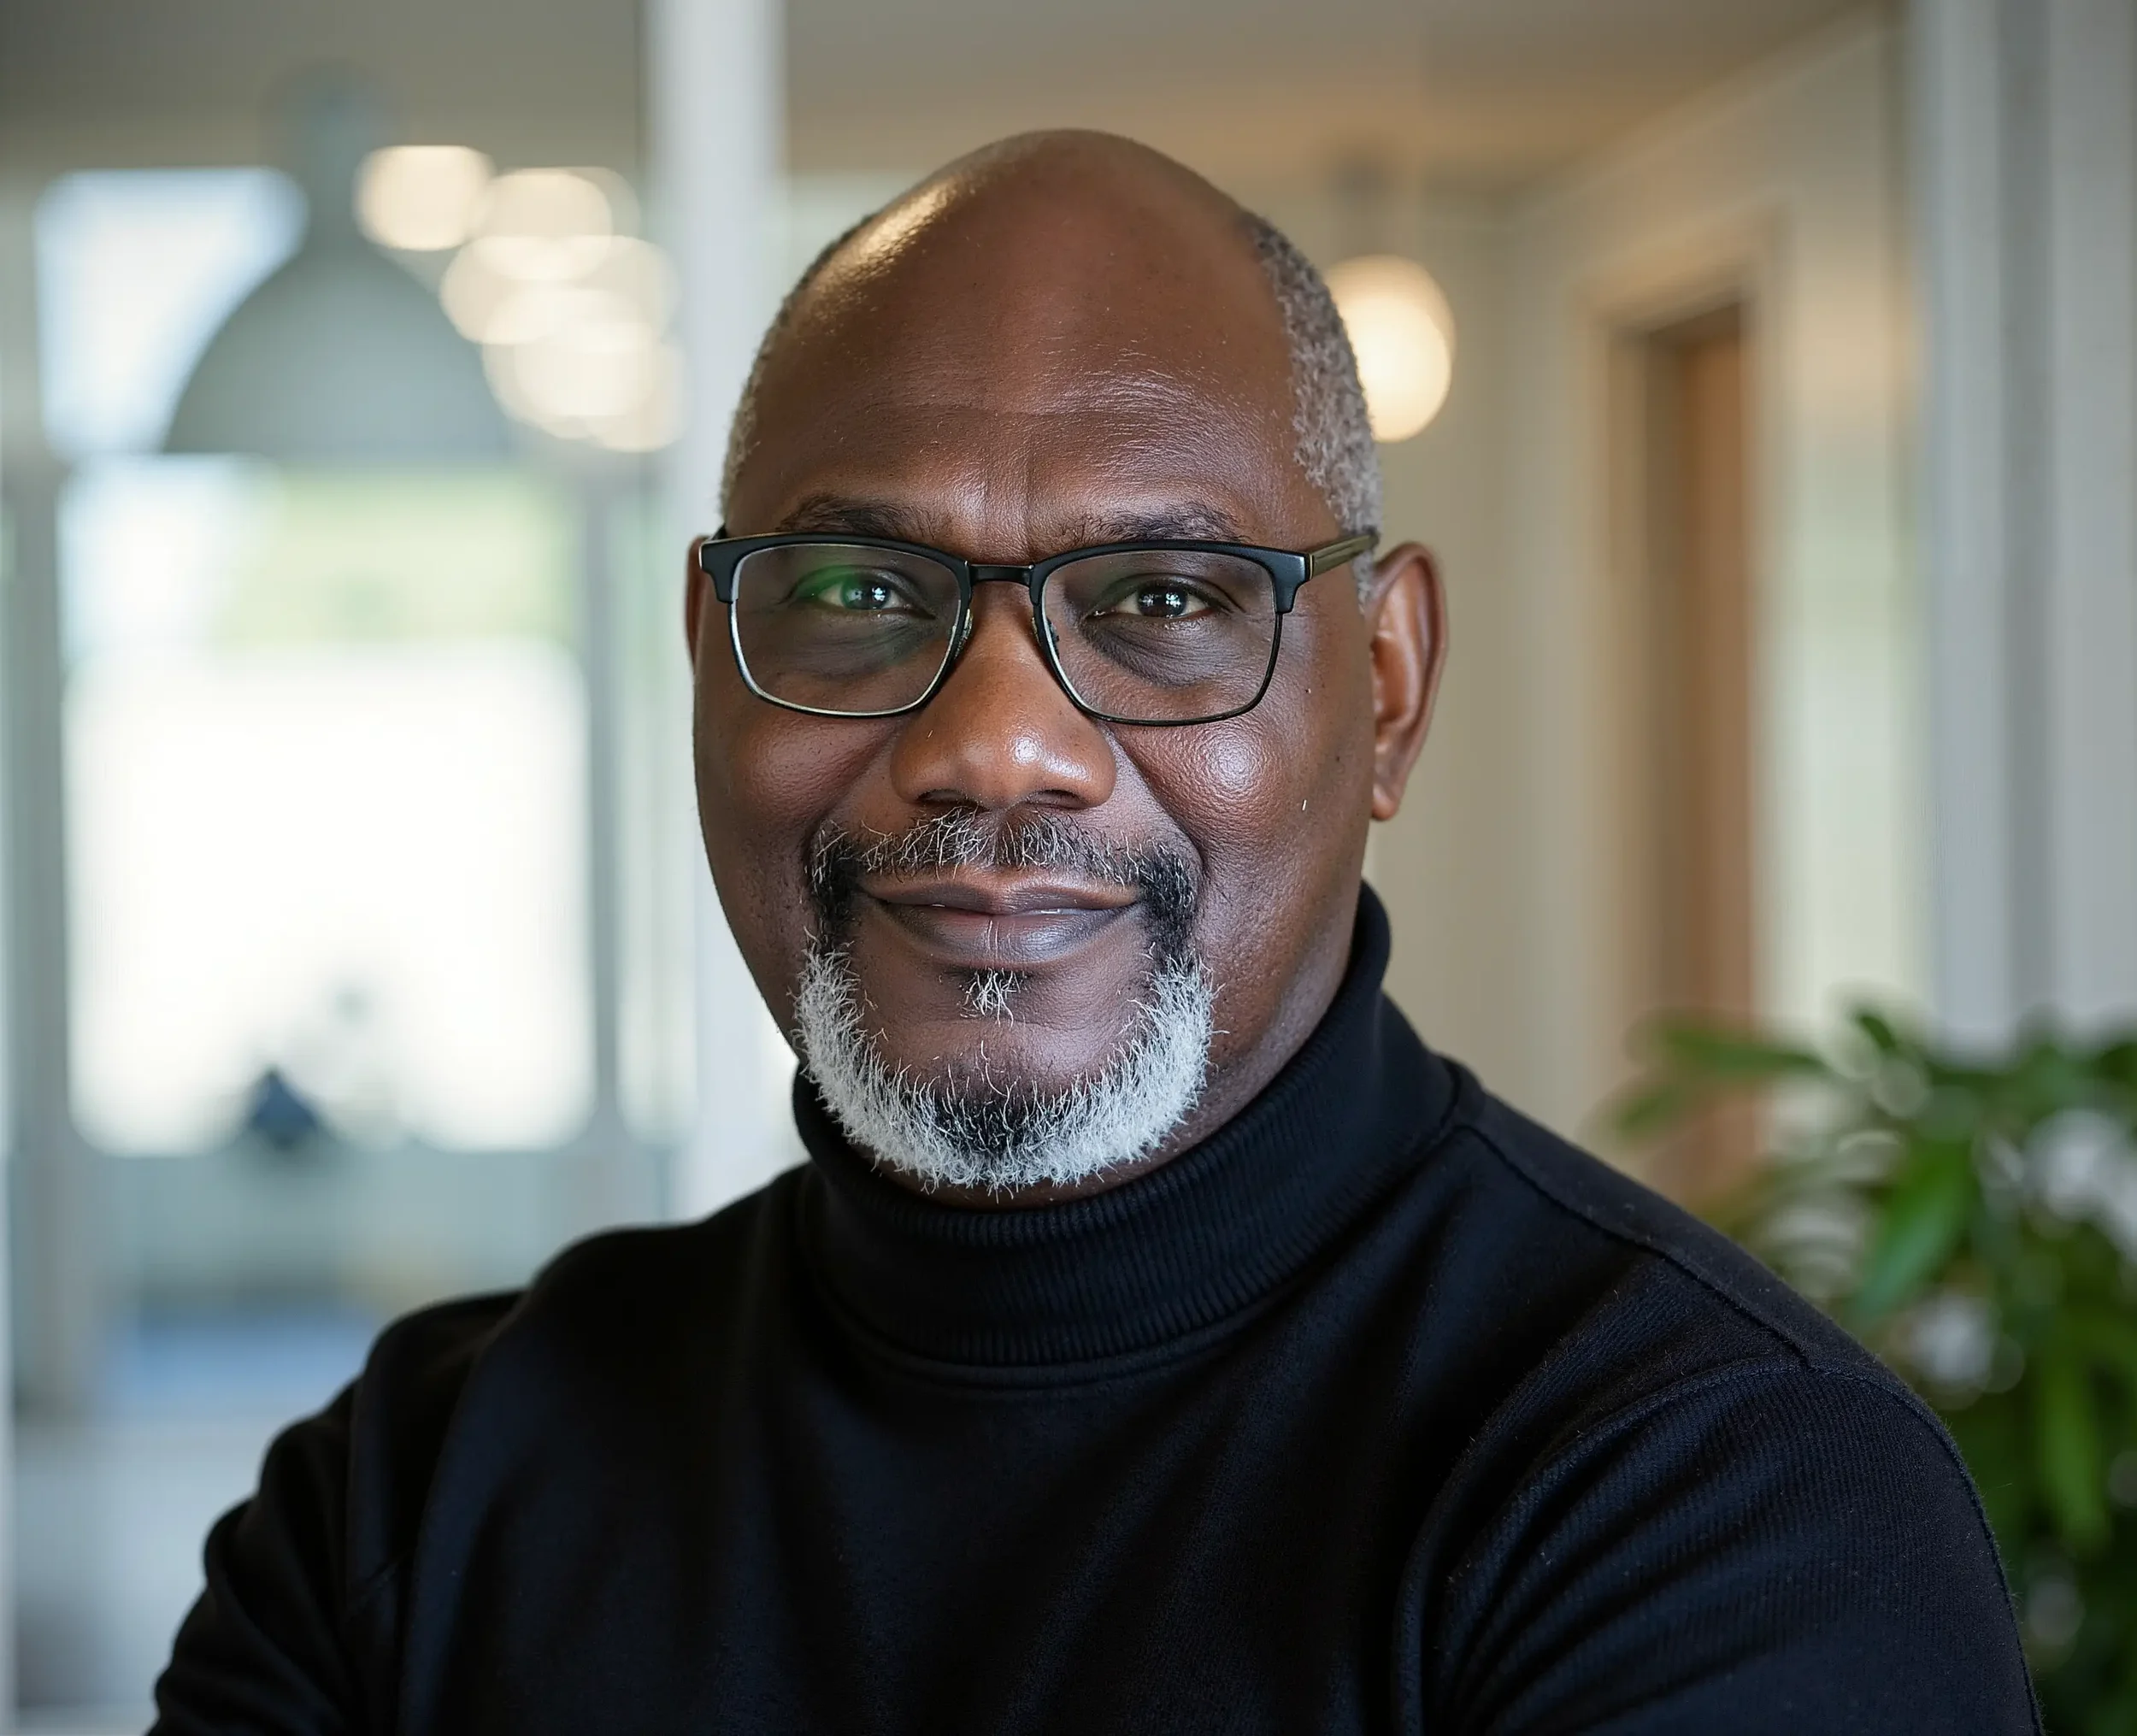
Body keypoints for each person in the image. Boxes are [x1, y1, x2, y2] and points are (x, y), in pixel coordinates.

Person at [153, 132, 2037, 1734]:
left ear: (1382, 690)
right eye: (854, 592)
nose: (992, 744)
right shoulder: (414, 1496)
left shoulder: (1714, 1503)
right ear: (704, 663)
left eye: (1157, 596)